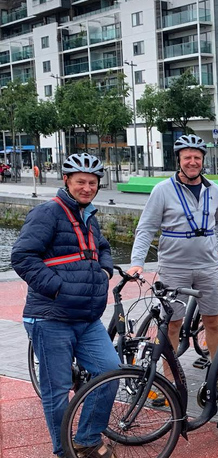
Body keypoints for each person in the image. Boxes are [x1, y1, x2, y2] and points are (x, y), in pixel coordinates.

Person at [12, 153, 119, 458]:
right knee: (57, 391)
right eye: (81, 182)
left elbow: (103, 248)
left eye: (92, 183)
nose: (87, 187)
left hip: (86, 317)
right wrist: (58, 289)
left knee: (109, 372)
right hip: (51, 317)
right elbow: (22, 257)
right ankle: (64, 451)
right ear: (67, 181)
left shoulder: (89, 216)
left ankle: (86, 439)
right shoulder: (48, 213)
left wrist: (105, 270)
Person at [127, 134, 218, 364]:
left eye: (197, 157)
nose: (192, 162)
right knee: (172, 324)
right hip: (174, 267)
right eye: (187, 157)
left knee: (213, 322)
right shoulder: (162, 190)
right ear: (178, 160)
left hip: (208, 265)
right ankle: (170, 380)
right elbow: (146, 228)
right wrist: (136, 263)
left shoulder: (213, 189)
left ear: (203, 160)